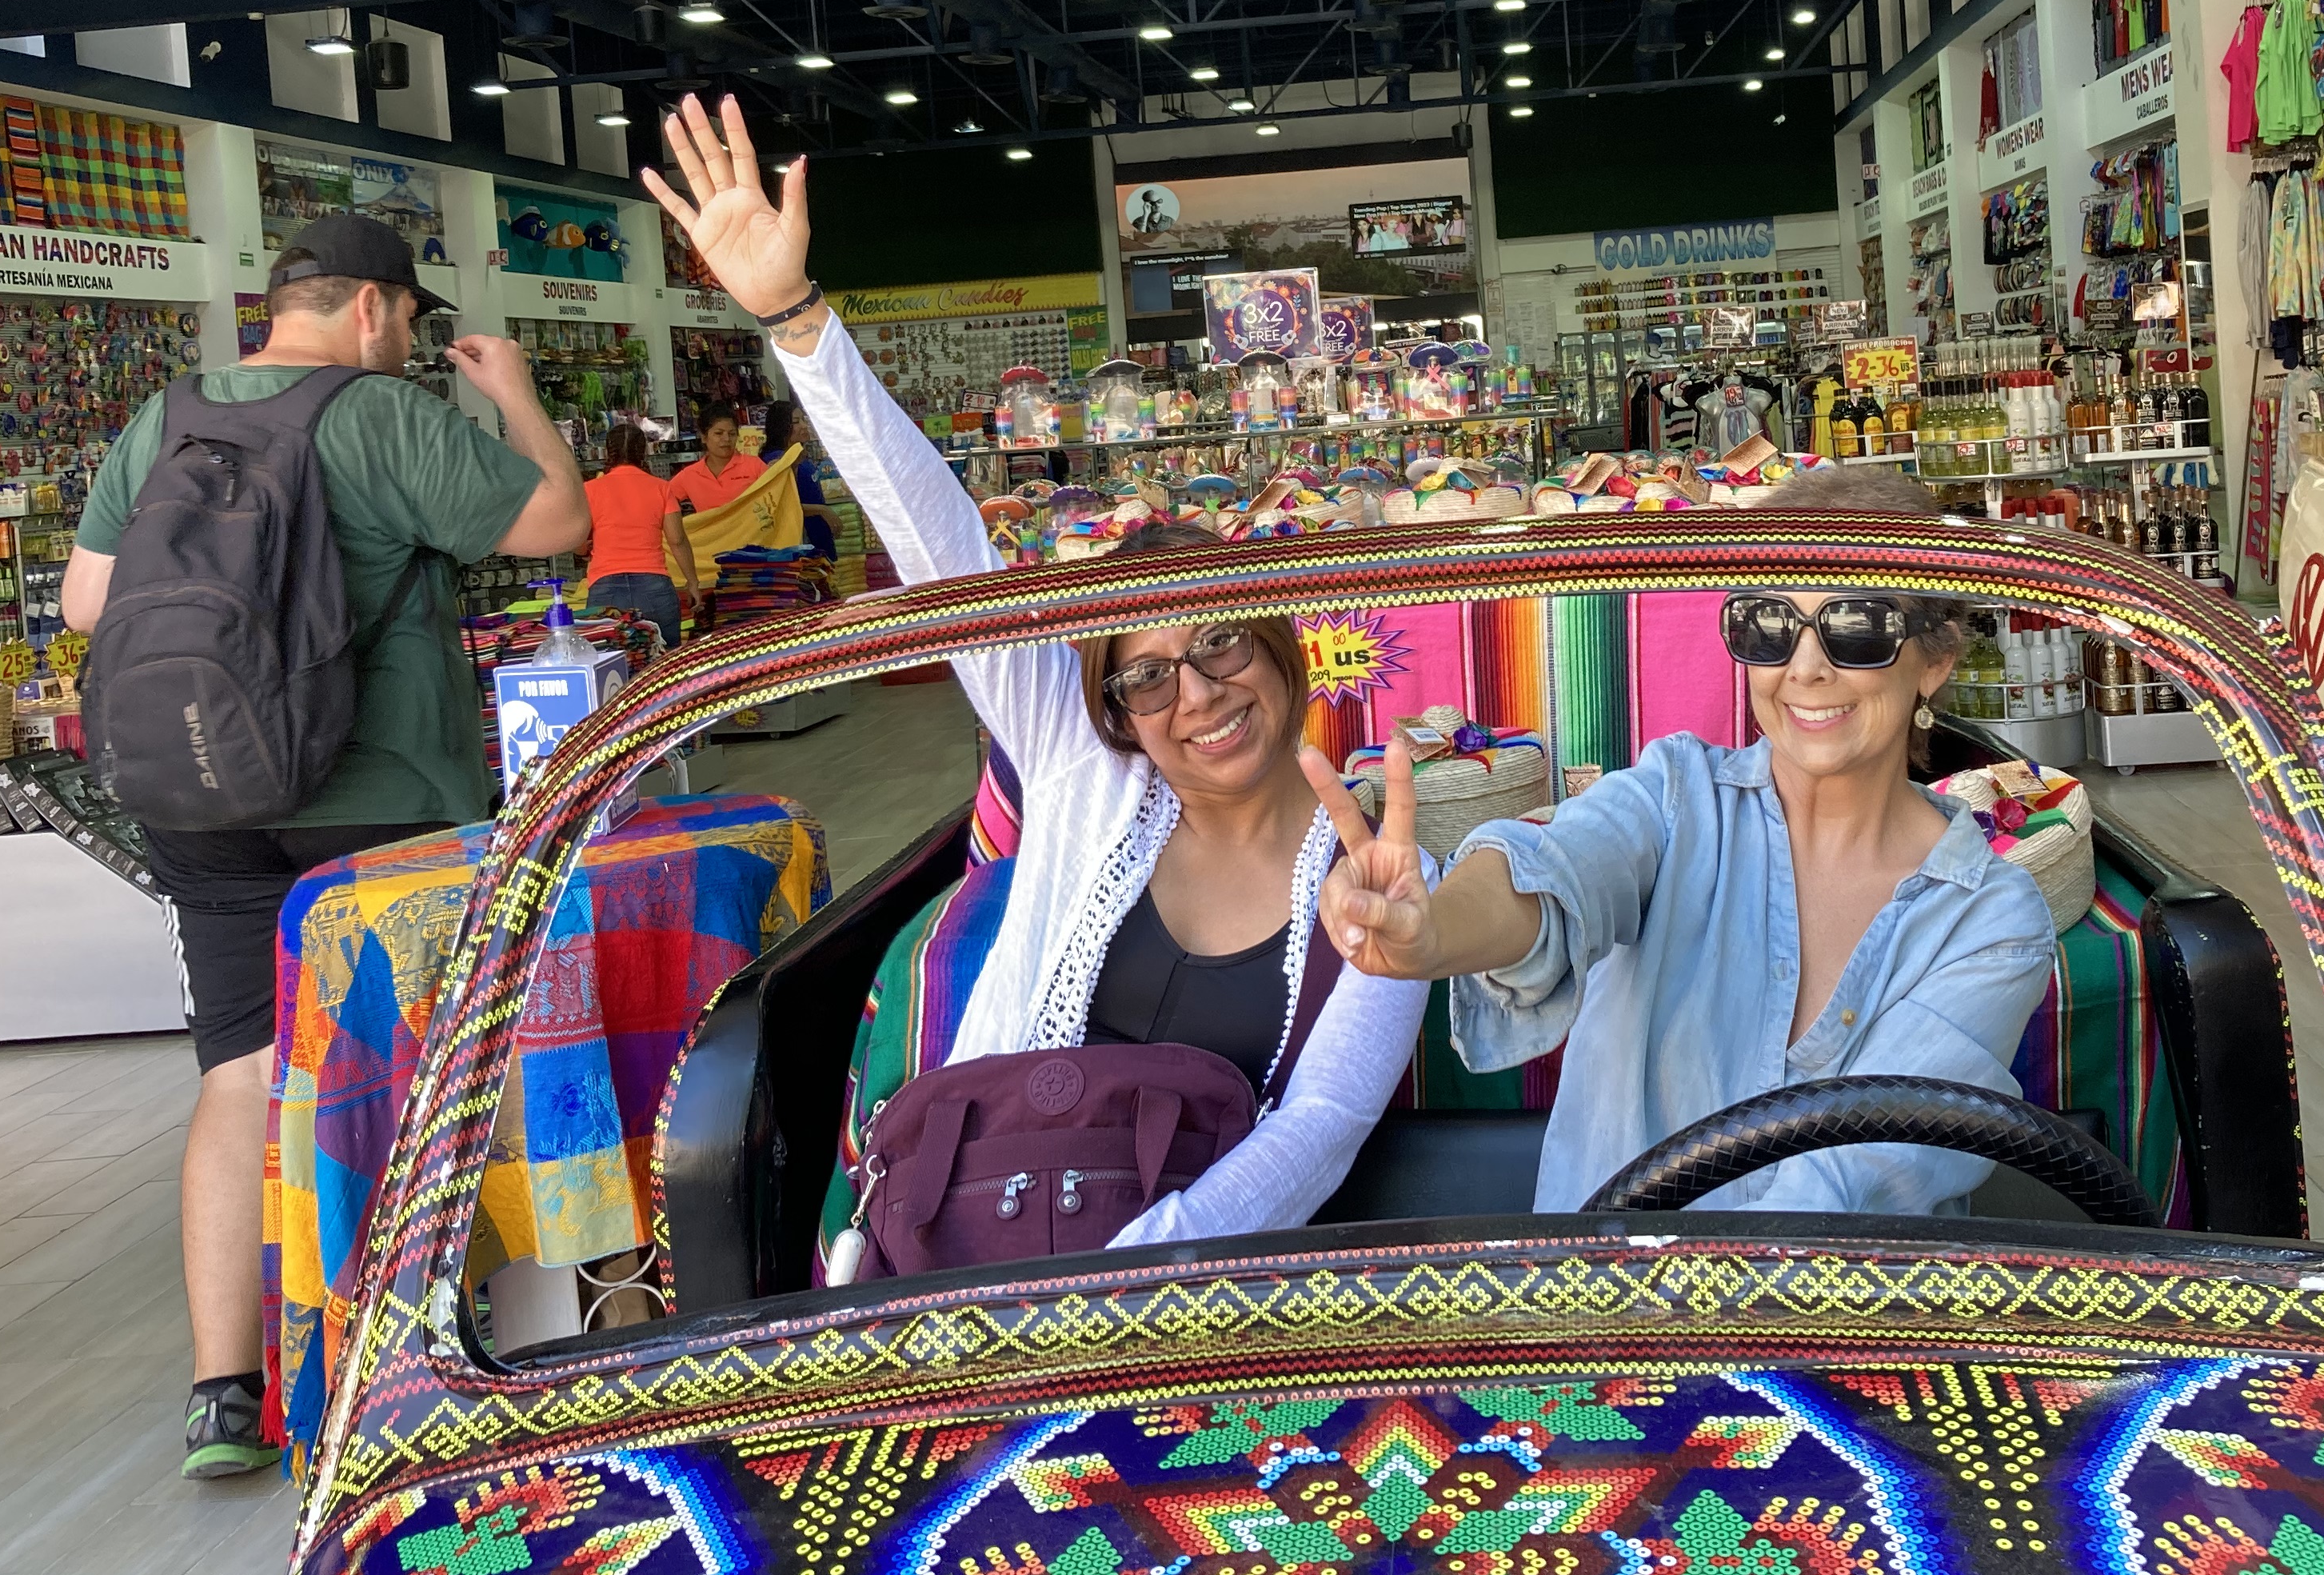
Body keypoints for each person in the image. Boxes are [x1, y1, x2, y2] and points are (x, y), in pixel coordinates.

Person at [642, 97, 1424, 1246]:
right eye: (1146, 677)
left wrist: (1117, 1285)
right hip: (963, 1255)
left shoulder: (1378, 867)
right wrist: (795, 319)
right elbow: (942, 551)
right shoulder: (1080, 777)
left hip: (1184, 1294)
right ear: (1114, 709)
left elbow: (1324, 1123)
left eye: (1218, 642)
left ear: (1278, 644)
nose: (1195, 695)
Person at [61, 214, 590, 1476]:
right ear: (371, 309)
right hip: (379, 795)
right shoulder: (381, 415)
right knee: (424, 1061)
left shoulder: (165, 417)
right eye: (409, 320)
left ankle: (223, 1394)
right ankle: (431, 1357)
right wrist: (514, 396)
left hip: (201, 799)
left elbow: (87, 603)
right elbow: (559, 523)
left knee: (240, 1075)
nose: (407, 341)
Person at [1316, 462, 2056, 1219]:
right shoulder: (1675, 798)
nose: (1805, 670)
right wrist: (1435, 930)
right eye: (1770, 626)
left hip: (1818, 1295)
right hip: (1603, 1289)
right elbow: (1552, 875)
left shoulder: (1989, 919)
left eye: (1857, 629)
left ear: (1936, 660)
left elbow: (1862, 1170)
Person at [580, 422, 693, 646]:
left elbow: (578, 543)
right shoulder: (662, 488)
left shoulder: (589, 490)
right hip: (655, 586)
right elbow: (677, 540)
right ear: (643, 452)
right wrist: (693, 582)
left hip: (605, 588)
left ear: (608, 452)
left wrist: (586, 550)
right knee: (665, 660)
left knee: (609, 661)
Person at [757, 399, 837, 571]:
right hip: (801, 542)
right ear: (781, 427)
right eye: (796, 421)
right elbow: (780, 505)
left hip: (817, 539)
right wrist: (823, 510)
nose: (804, 425)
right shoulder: (777, 461)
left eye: (804, 419)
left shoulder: (796, 455)